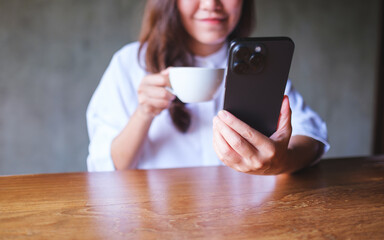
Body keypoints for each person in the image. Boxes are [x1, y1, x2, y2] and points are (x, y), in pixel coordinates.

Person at [86, 0, 329, 174]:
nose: (211, 4)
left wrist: (280, 161)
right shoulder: (130, 63)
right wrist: (144, 113)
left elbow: (312, 136)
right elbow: (109, 165)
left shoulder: (256, 62)